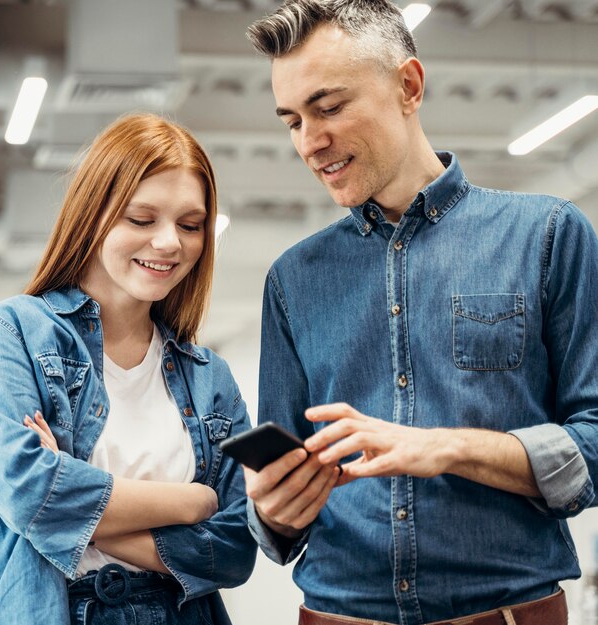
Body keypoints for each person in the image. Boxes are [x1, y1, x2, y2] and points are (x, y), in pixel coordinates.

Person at [242, 2, 598, 624]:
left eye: (328, 108)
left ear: (409, 86)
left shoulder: (546, 236)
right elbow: (277, 513)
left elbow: (593, 442)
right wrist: (271, 510)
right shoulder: (293, 280)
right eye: (292, 120)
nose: (309, 141)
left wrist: (447, 447)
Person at [0, 113, 257, 625]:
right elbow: (28, 491)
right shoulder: (10, 332)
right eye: (141, 219)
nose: (170, 242)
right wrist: (192, 503)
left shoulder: (211, 378)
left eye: (190, 225)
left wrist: (73, 500)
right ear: (93, 215)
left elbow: (236, 548)